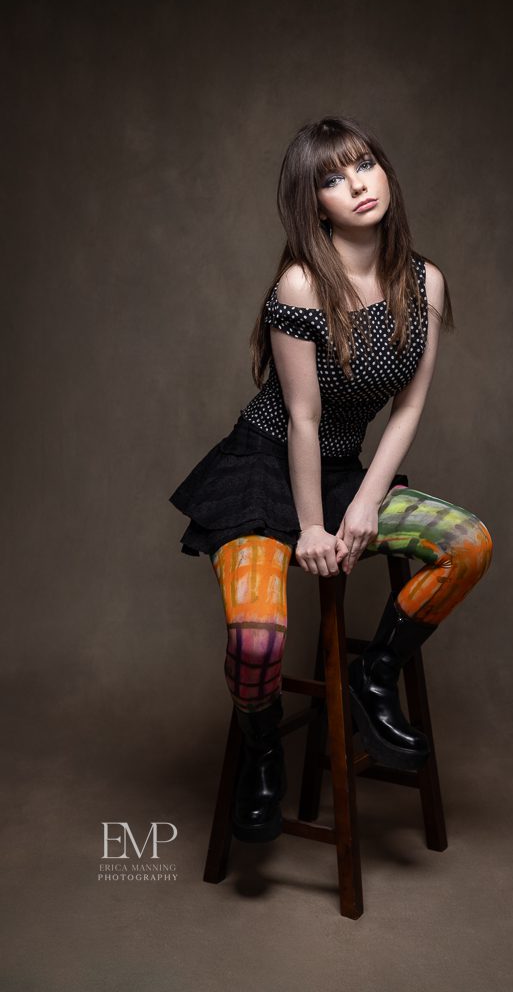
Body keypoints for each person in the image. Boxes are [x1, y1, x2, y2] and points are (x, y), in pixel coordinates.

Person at [168, 115, 493, 844]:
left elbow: (408, 407)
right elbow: (303, 418)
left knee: (469, 544)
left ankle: (372, 675)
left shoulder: (425, 280)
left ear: (384, 171)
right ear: (313, 203)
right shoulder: (301, 283)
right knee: (257, 641)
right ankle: (261, 749)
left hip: (345, 472)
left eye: (364, 164)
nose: (357, 185)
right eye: (332, 178)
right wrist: (312, 526)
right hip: (263, 469)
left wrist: (368, 501)